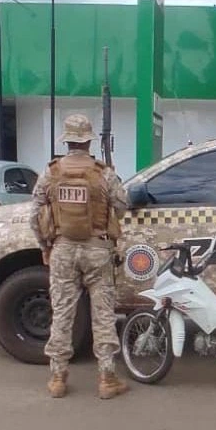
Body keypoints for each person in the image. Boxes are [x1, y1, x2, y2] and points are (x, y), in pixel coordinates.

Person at [29, 113, 129, 399]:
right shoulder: (103, 173)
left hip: (62, 248)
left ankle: (58, 378)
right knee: (103, 314)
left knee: (61, 312)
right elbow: (122, 207)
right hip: (97, 248)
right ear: (88, 141)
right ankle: (107, 378)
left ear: (67, 140)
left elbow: (34, 215)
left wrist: (45, 247)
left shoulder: (51, 172)